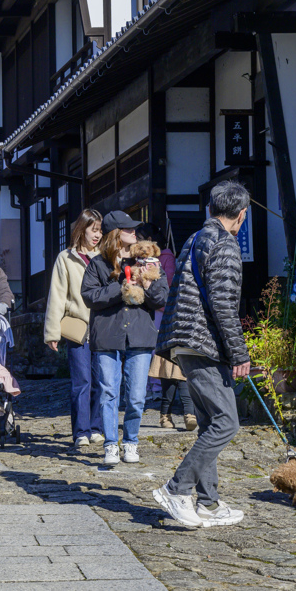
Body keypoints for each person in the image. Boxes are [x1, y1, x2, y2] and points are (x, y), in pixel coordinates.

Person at [153, 180, 251, 528]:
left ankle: (208, 503)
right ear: (241, 215)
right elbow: (224, 305)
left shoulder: (195, 238)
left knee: (210, 421)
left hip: (183, 340)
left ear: (211, 209)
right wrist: (239, 354)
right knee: (227, 421)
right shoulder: (225, 244)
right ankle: (176, 489)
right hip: (203, 343)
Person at [81, 211, 168, 466]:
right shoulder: (97, 265)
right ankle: (110, 444)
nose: (134, 233)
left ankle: (130, 442)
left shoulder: (149, 262)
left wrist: (148, 282)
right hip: (108, 335)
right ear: (116, 234)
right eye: (128, 229)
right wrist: (120, 284)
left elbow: (162, 298)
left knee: (136, 396)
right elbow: (89, 297)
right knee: (108, 392)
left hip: (140, 335)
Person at [44, 208, 105, 449]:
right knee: (82, 381)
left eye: (100, 230)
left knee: (101, 381)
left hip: (102, 327)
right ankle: (81, 430)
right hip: (77, 326)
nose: (97, 235)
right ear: (82, 229)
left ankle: (97, 427)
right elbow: (57, 295)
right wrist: (51, 332)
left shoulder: (104, 256)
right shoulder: (66, 258)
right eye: (94, 230)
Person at [136, 223, 196, 432]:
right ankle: (168, 412)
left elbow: (167, 288)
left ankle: (183, 413)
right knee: (168, 367)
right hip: (161, 315)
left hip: (168, 315)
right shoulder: (139, 263)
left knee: (178, 368)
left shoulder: (167, 259)